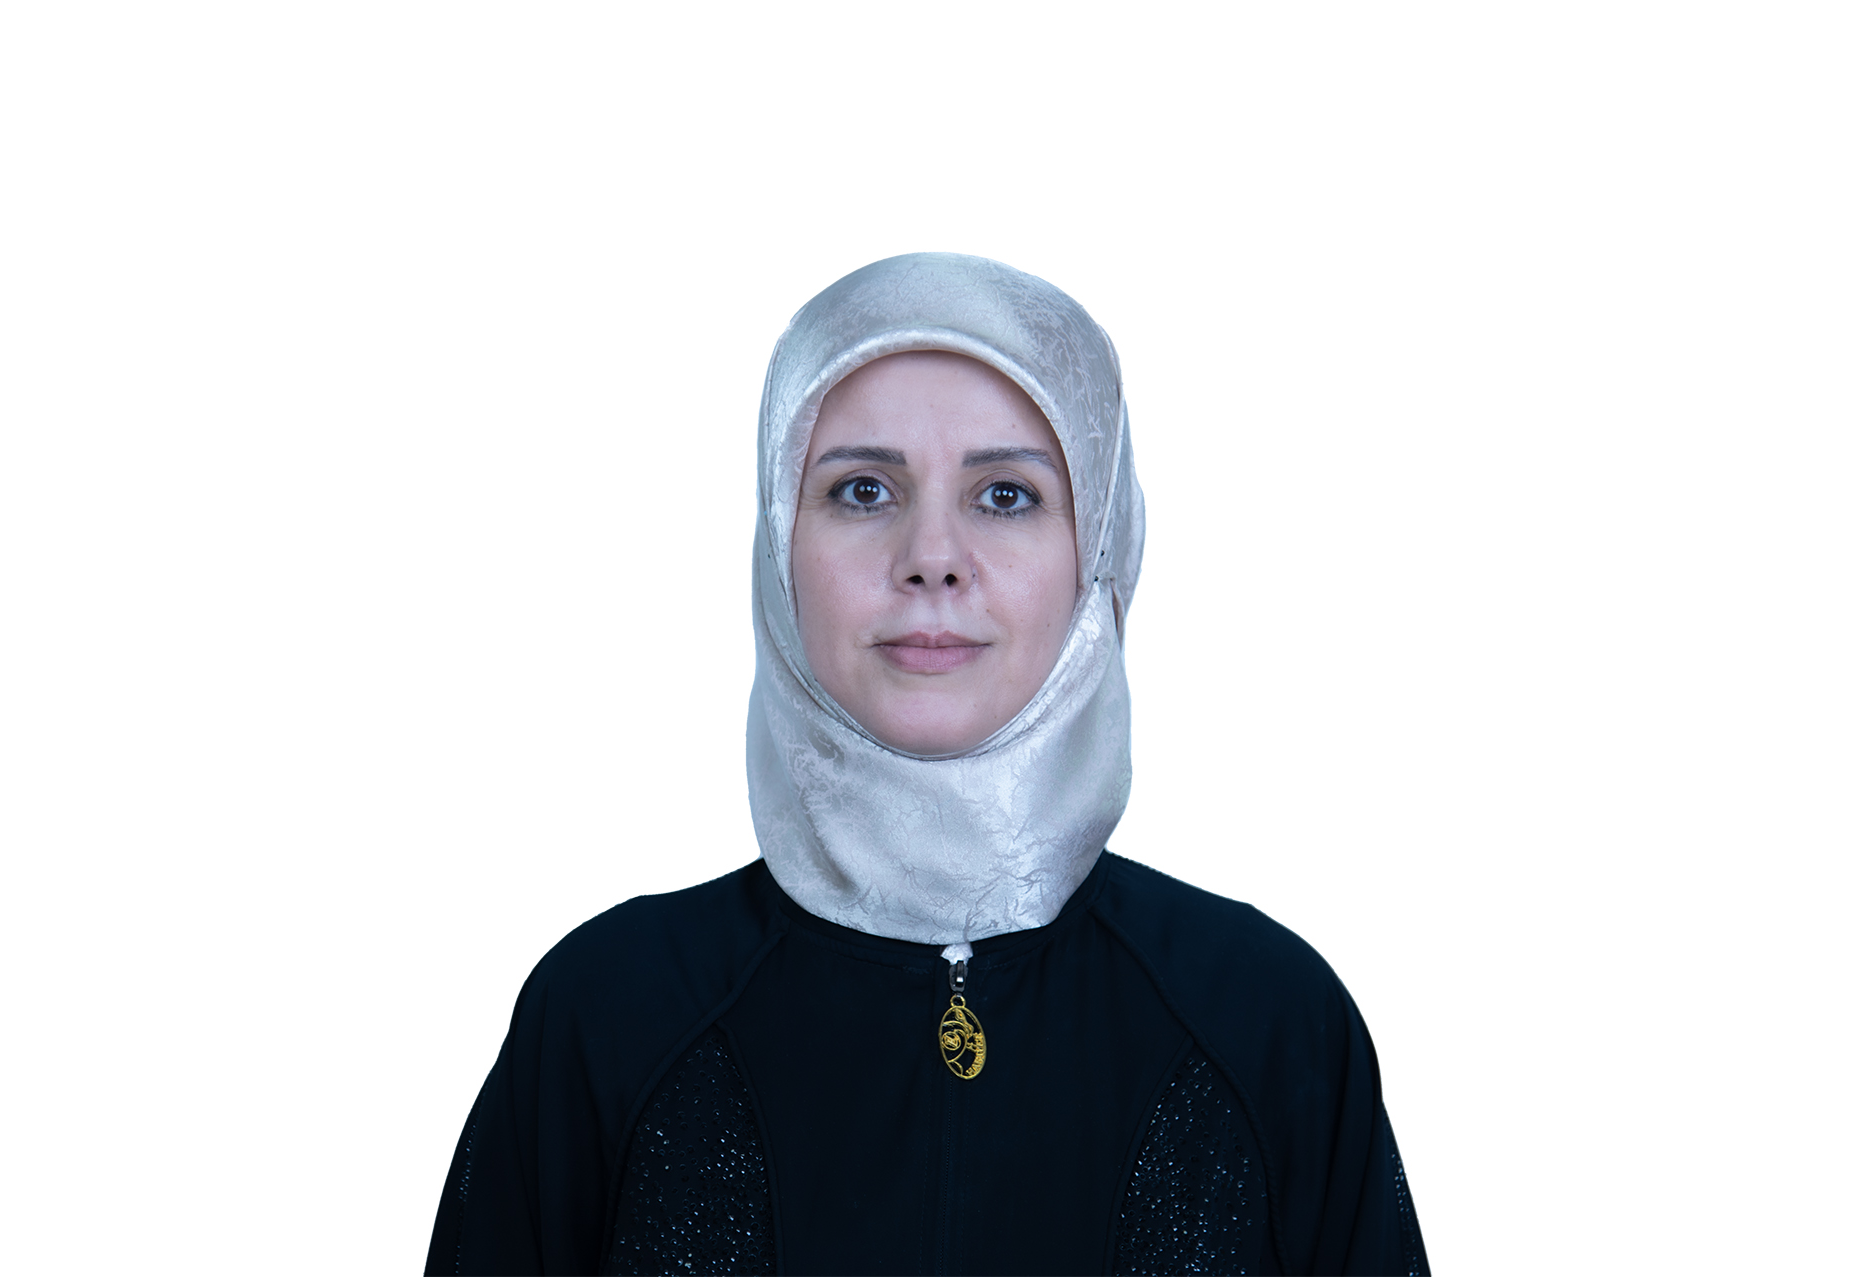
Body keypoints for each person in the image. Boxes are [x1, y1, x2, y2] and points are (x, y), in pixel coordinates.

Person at [425, 253, 1428, 1276]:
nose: (933, 556)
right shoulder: (607, 1018)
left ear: (1099, 548)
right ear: (780, 547)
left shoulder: (1270, 1026)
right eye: (863, 489)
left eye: (1006, 494)